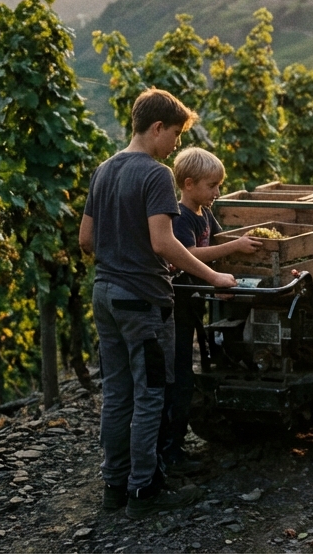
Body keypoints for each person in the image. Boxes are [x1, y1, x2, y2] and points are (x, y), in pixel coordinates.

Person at [79, 89, 237, 520]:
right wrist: (215, 276)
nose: (176, 145)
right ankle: (144, 490)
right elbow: (163, 243)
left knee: (117, 394)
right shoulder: (156, 174)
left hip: (104, 295)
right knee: (150, 395)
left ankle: (115, 486)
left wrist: (119, 254)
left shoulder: (104, 169)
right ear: (157, 128)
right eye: (176, 136)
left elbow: (86, 240)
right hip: (142, 302)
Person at [158, 147, 260, 476]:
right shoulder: (180, 216)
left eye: (219, 185)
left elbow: (216, 240)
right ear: (188, 184)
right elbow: (190, 254)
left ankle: (174, 447)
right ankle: (169, 452)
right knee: (178, 378)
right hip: (177, 308)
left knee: (185, 375)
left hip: (193, 302)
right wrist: (235, 247)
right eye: (212, 185)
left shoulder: (204, 212)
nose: (217, 192)